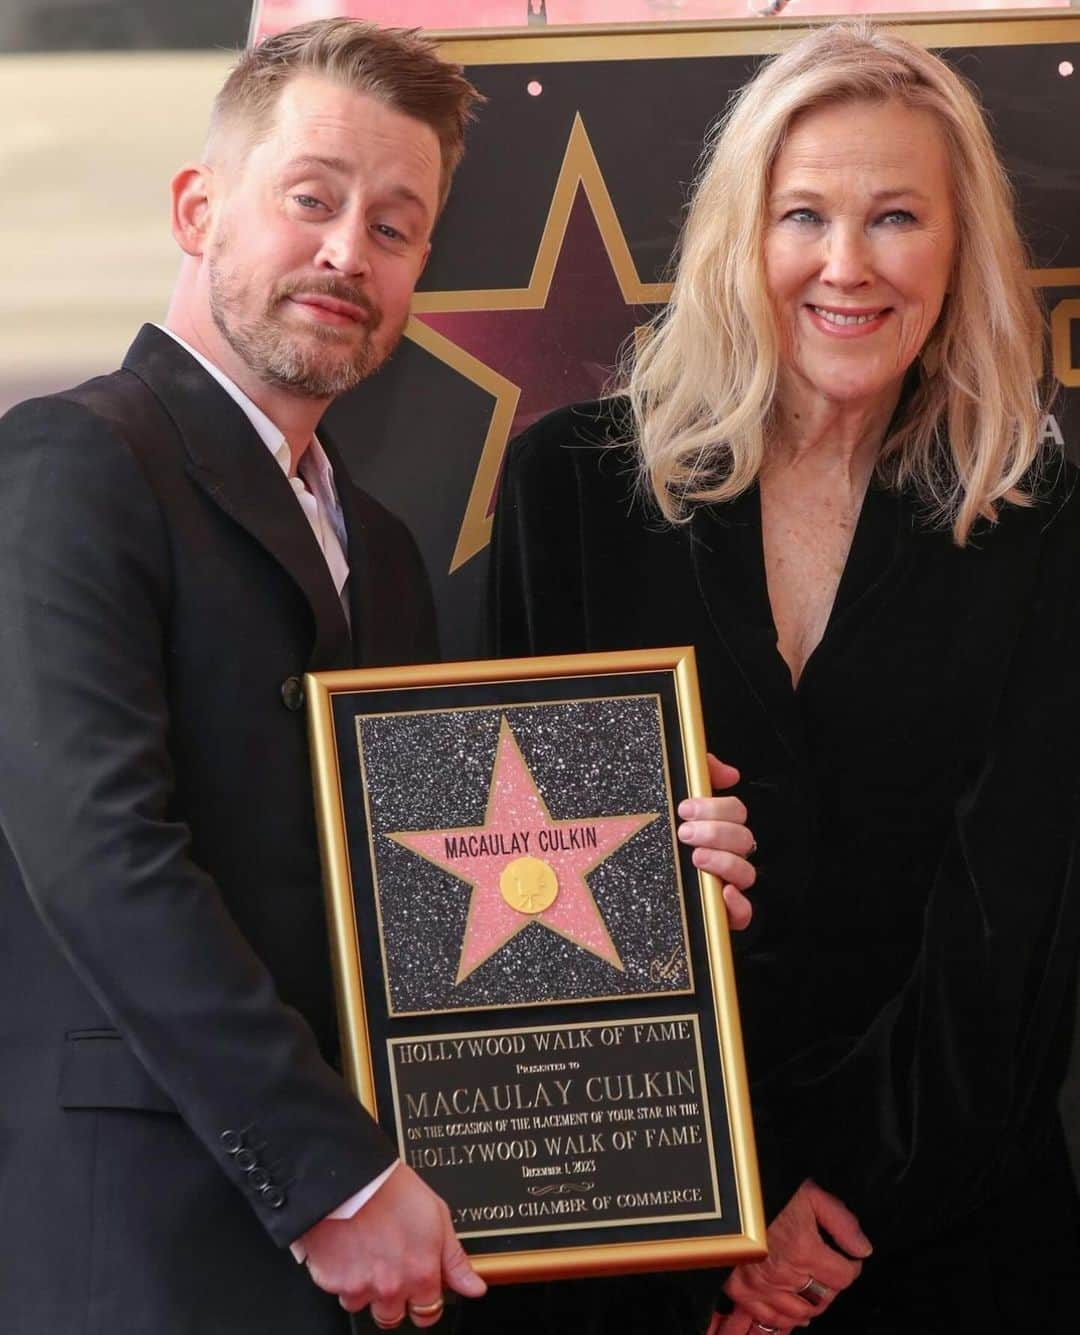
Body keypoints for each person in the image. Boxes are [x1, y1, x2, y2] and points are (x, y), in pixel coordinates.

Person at [0, 20, 757, 1335]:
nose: (351, 251)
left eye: (397, 226)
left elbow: (427, 884)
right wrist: (333, 1179)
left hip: (369, 1260)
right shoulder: (72, 463)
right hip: (149, 1241)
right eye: (312, 199)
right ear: (198, 206)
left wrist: (655, 867)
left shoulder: (382, 549)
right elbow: (100, 851)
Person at [489, 23, 1080, 1335]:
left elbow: (1019, 927)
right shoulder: (571, 493)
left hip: (945, 1235)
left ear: (962, 246)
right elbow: (512, 915)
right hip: (638, 1236)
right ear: (739, 238)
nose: (847, 264)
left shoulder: (1043, 523)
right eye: (802, 212)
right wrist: (713, 1209)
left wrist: (838, 1195)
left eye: (897, 218)